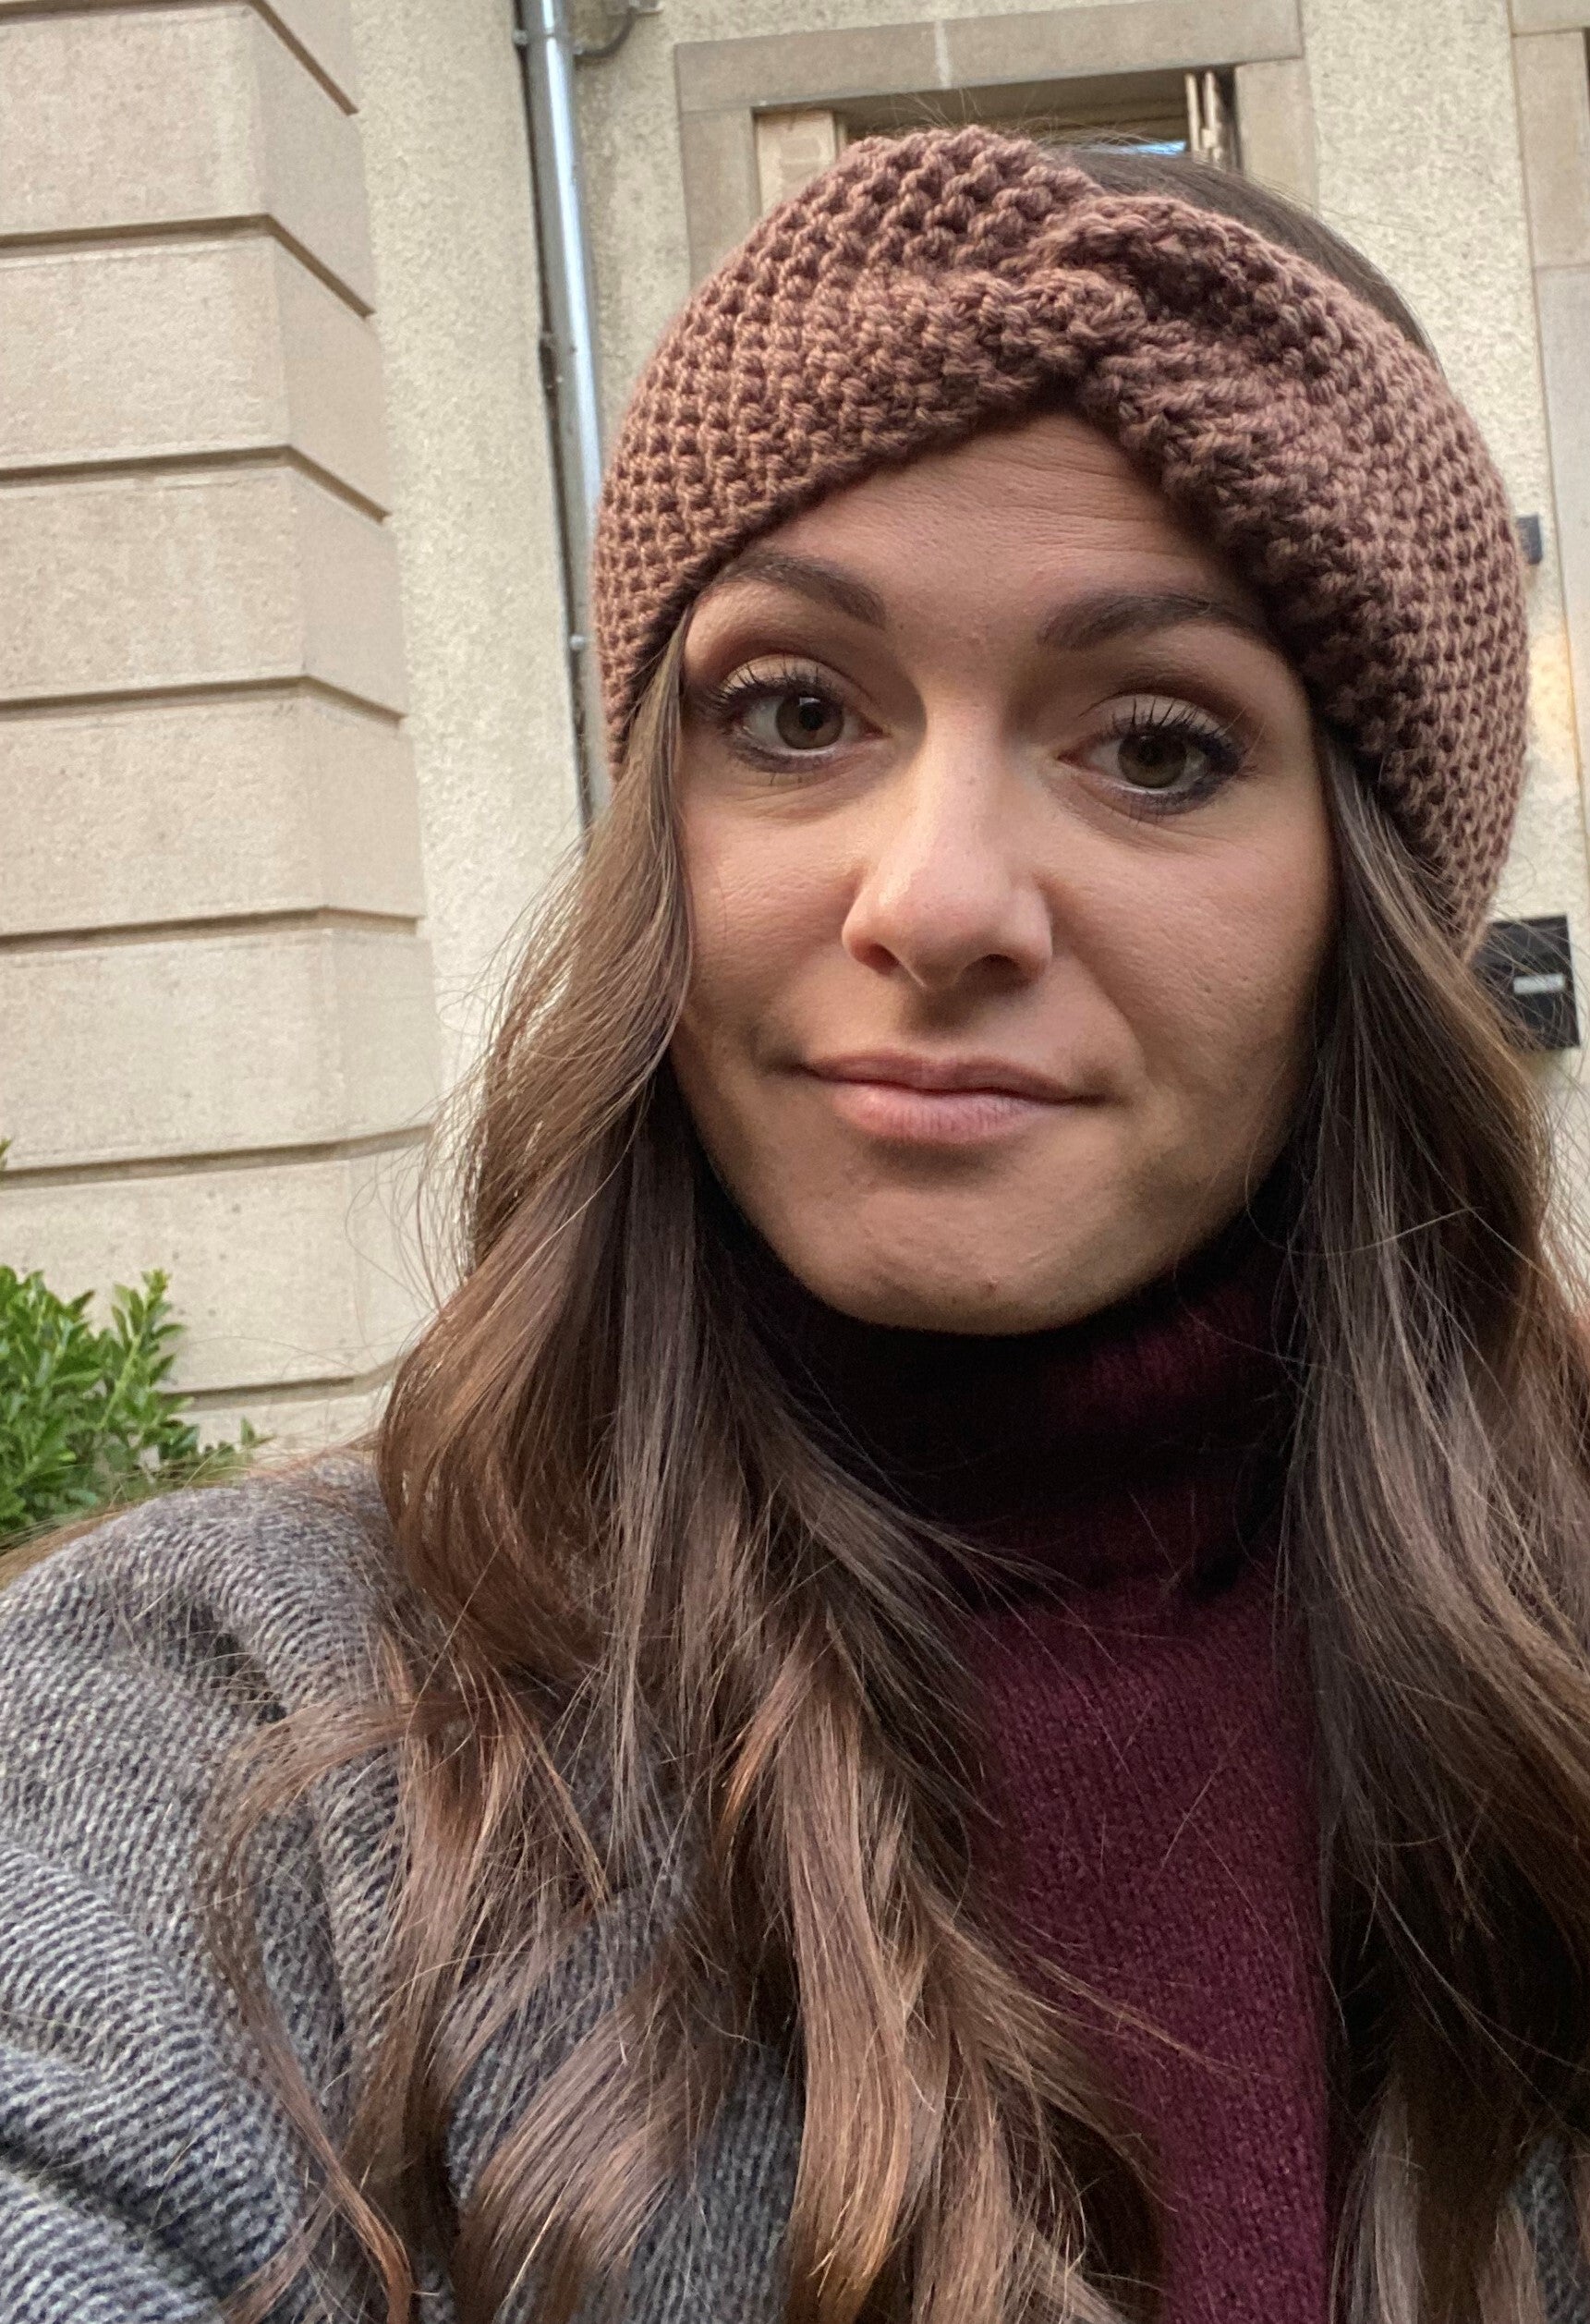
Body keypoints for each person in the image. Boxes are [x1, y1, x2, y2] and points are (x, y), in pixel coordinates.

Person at [2, 125, 1587, 2324]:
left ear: (1370, 901)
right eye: (799, 713)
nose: (931, 900)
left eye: (1155, 745)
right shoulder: (229, 1732)